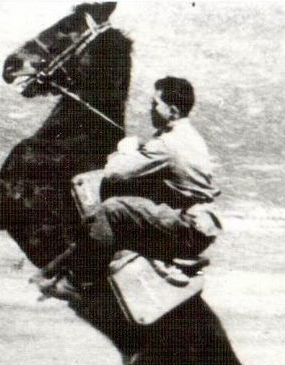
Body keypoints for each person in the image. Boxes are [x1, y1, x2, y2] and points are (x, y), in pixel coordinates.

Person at [41, 76, 223, 299]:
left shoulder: (167, 144)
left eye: (155, 104)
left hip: (187, 229)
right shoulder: (188, 135)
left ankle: (78, 282)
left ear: (173, 111)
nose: (151, 109)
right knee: (133, 202)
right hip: (198, 225)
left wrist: (125, 151)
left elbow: (113, 173)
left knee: (112, 209)